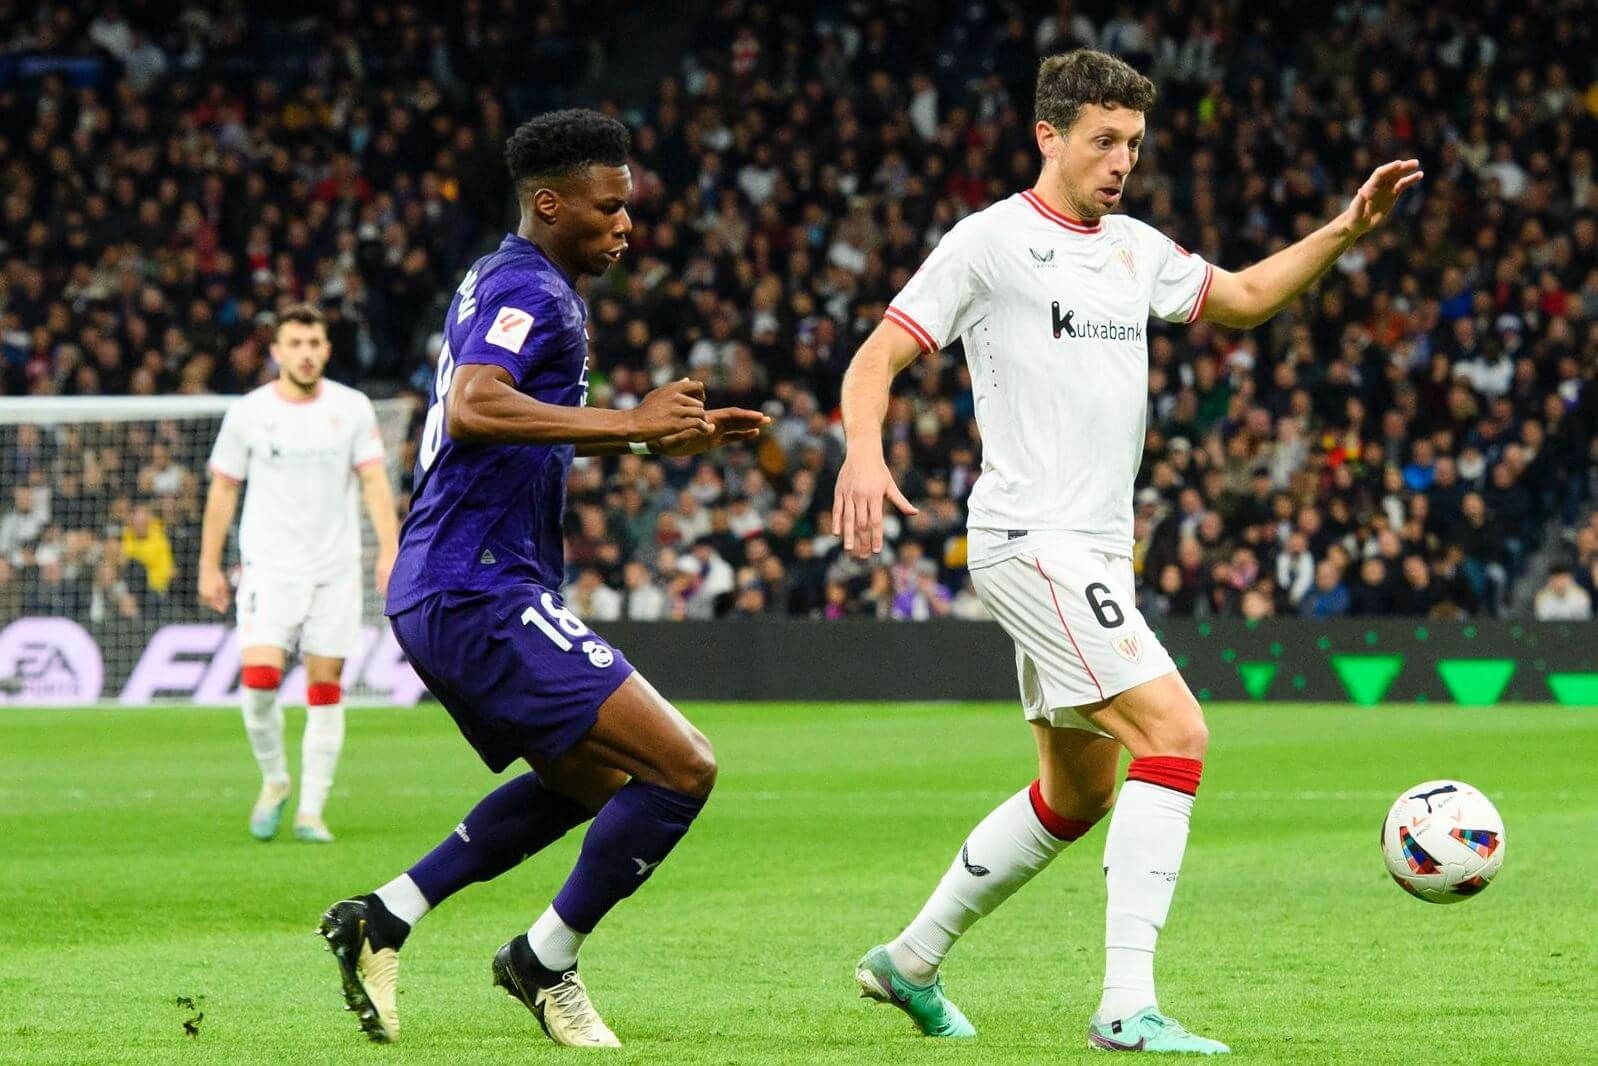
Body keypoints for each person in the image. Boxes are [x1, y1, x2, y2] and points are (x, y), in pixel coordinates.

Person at [833, 49, 1420, 1055]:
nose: (1120, 161)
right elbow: (877, 353)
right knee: (1174, 732)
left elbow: (1236, 297)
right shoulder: (987, 243)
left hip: (1099, 550)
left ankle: (910, 958)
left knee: (1078, 793)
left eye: (1133, 145)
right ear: (1047, 136)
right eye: (1102, 140)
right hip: (1032, 539)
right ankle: (1123, 1004)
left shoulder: (1134, 247)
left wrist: (1340, 230)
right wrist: (860, 448)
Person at [316, 109, 767, 1047]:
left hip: (456, 584)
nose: (625, 225)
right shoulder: (532, 286)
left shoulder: (506, 279)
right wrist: (633, 424)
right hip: (476, 585)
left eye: (628, 208)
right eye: (608, 208)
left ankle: (385, 916)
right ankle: (541, 961)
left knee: (597, 779)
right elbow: (475, 407)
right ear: (550, 202)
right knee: (682, 767)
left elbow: (506, 428)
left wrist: (646, 437)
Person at [199, 304, 399, 844]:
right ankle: (275, 779)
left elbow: (375, 482)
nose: (306, 353)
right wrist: (208, 563)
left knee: (325, 686)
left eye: (315, 343)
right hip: (268, 568)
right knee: (260, 680)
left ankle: (311, 811)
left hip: (334, 571)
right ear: (277, 351)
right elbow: (223, 488)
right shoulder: (250, 412)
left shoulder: (352, 408)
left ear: (327, 349)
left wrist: (389, 549)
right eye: (296, 344)